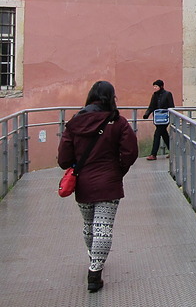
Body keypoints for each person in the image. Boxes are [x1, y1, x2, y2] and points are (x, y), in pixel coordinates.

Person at [57, 80, 138, 293]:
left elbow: (64, 159)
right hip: (109, 181)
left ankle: (94, 258)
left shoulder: (75, 122)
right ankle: (95, 272)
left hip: (83, 181)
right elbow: (131, 152)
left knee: (89, 224)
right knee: (103, 226)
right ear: (111, 97)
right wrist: (119, 169)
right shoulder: (117, 122)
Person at [143, 79, 174, 160]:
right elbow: (151, 106)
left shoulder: (167, 94)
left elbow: (171, 106)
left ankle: (153, 154)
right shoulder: (155, 95)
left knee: (157, 134)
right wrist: (146, 114)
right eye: (154, 86)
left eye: (156, 86)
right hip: (157, 118)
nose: (155, 88)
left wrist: (171, 116)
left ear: (161, 86)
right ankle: (172, 151)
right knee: (164, 134)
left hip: (165, 118)